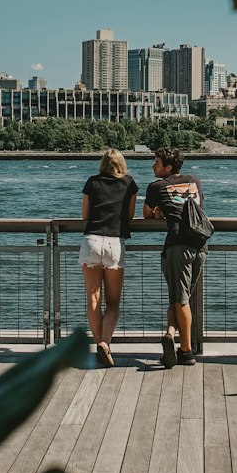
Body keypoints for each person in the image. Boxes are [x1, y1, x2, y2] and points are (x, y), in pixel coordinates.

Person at [143, 146, 207, 368]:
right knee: (179, 298)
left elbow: (146, 214)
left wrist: (160, 211)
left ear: (168, 167)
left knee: (181, 300)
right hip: (200, 245)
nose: (153, 166)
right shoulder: (195, 181)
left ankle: (187, 352)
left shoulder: (156, 187)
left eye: (157, 163)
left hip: (177, 245)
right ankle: (170, 333)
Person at [80, 149, 138, 367]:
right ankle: (105, 343)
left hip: (91, 240)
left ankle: (100, 346)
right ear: (121, 165)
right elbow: (130, 216)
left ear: (102, 164)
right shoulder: (129, 183)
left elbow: (85, 215)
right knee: (113, 302)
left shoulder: (92, 182)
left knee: (93, 299)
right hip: (114, 242)